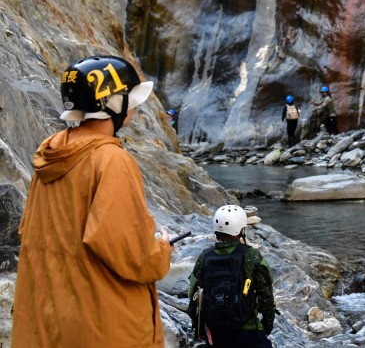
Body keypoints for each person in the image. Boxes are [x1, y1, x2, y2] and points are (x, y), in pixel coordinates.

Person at [12, 55, 174, 346]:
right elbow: (130, 252)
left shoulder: (51, 155)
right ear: (111, 104)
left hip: (53, 317)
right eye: (130, 100)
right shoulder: (111, 160)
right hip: (103, 322)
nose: (135, 108)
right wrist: (161, 249)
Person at [188, 205, 275, 347]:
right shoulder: (251, 255)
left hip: (216, 332)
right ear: (241, 229)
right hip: (248, 330)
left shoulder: (204, 257)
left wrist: (201, 330)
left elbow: (193, 296)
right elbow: (266, 296)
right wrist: (266, 326)